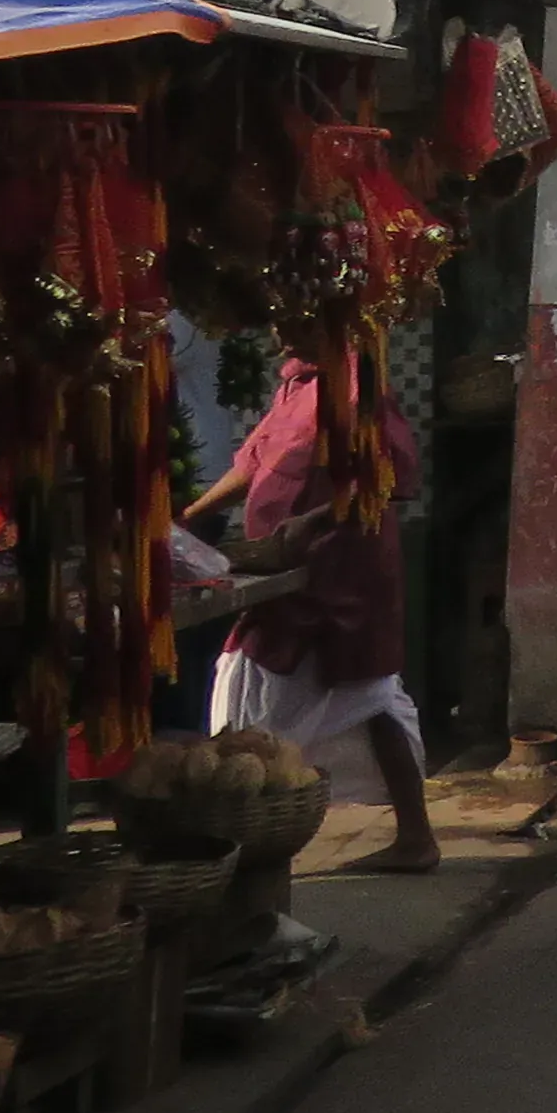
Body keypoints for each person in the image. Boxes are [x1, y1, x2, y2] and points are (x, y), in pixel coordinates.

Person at [187, 353, 435, 873]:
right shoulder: (295, 387)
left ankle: (252, 850)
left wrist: (316, 519)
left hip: (346, 570)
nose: (277, 332)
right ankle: (252, 843)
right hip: (290, 574)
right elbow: (251, 464)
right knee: (362, 698)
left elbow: (386, 478)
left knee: (370, 694)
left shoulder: (355, 384)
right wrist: (186, 518)